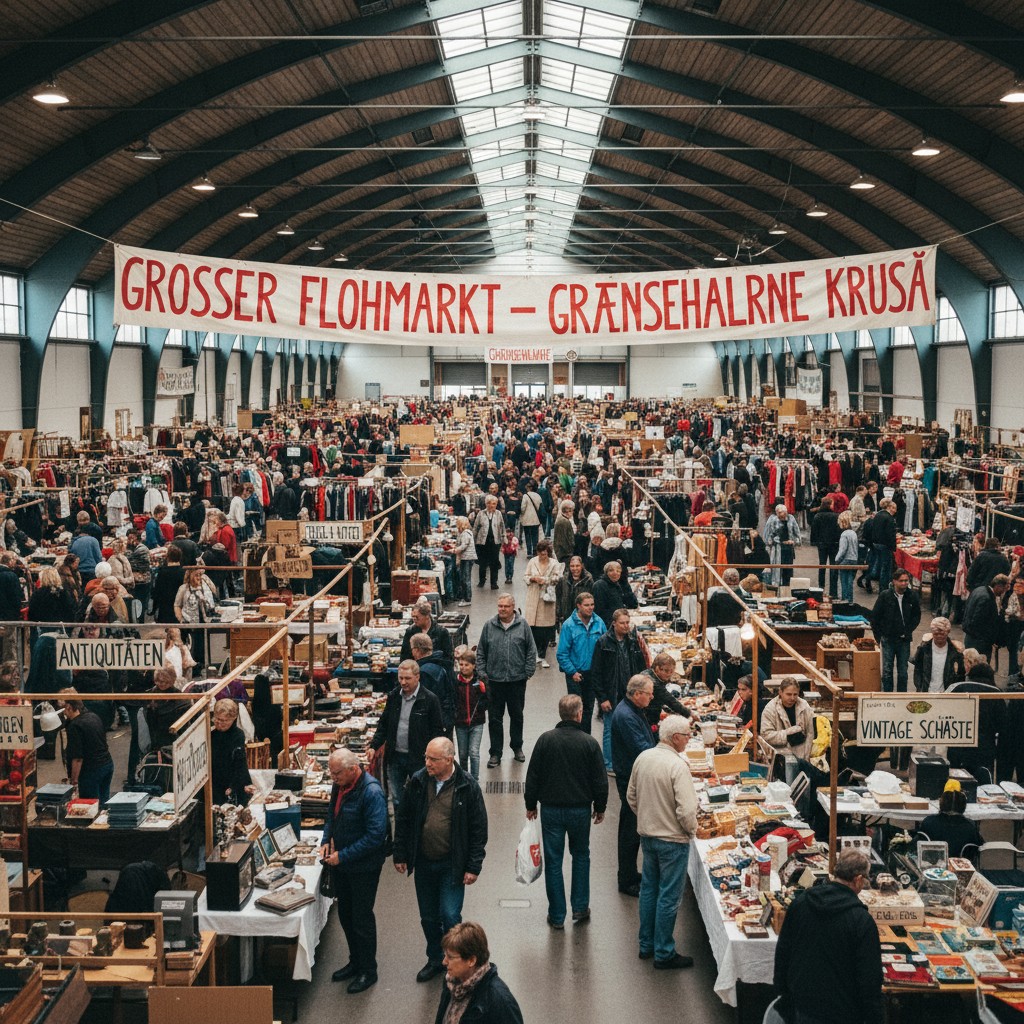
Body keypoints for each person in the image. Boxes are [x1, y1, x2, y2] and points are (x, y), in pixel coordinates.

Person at [393, 737, 488, 984]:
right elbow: (403, 819)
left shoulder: (467, 786)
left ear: (449, 759)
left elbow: (478, 830)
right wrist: (400, 853)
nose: (427, 763)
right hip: (423, 862)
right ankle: (436, 959)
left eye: (432, 759)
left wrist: (473, 866)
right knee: (428, 917)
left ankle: (457, 963)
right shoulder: (418, 780)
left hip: (451, 865)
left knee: (449, 915)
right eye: (426, 757)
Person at [524, 694, 608, 929]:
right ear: (580, 714)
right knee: (581, 856)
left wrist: (531, 804)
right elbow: (600, 781)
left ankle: (557, 915)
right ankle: (580, 908)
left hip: (551, 810)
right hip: (580, 810)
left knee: (553, 861)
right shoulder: (589, 743)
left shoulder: (545, 740)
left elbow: (533, 776)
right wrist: (599, 807)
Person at [774, 849, 882, 1024]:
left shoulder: (801, 902)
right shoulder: (861, 921)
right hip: (840, 1012)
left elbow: (783, 951)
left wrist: (783, 995)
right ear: (858, 880)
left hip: (801, 1005)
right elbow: (869, 980)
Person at [627, 715, 698, 969]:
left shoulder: (643, 758)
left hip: (648, 837)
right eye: (687, 736)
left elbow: (631, 796)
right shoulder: (677, 766)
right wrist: (691, 831)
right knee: (668, 897)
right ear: (675, 738)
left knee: (649, 890)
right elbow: (687, 810)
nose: (689, 740)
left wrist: (648, 819)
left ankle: (646, 945)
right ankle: (664, 952)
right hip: (673, 841)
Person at [319, 748, 389, 994]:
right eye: (331, 772)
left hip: (364, 868)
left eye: (336, 773)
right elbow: (331, 815)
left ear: (353, 769)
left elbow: (375, 836)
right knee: (346, 915)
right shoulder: (340, 785)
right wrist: (326, 840)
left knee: (361, 918)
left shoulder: (371, 792)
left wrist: (343, 855)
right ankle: (355, 961)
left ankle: (368, 970)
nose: (333, 778)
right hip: (343, 864)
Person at [370, 659, 444, 814]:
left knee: (422, 797)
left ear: (417, 677)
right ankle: (401, 833)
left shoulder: (430, 700)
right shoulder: (394, 697)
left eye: (407, 678)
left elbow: (436, 731)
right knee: (397, 799)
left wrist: (432, 758)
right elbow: (384, 724)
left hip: (419, 758)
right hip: (395, 757)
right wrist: (374, 746)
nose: (403, 682)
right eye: (400, 678)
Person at [476, 593, 537, 768]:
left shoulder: (523, 625)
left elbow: (531, 651)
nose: (502, 609)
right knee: (495, 718)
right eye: (500, 606)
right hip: (494, 681)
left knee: (517, 716)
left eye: (506, 606)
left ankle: (517, 747)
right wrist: (483, 674)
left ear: (513, 607)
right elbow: (481, 651)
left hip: (517, 681)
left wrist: (527, 672)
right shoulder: (489, 626)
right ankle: (495, 753)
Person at [610, 674, 657, 897]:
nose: (652, 697)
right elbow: (642, 748)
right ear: (637, 694)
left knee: (631, 827)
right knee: (630, 829)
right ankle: (627, 879)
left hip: (632, 774)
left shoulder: (631, 710)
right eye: (649, 693)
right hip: (631, 777)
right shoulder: (627, 716)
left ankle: (630, 872)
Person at [591, 609, 647, 773]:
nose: (626, 626)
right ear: (614, 623)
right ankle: (609, 764)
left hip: (630, 694)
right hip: (612, 694)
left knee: (630, 727)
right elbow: (596, 673)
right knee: (610, 729)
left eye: (628, 623)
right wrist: (602, 698)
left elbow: (639, 665)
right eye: (622, 623)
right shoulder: (603, 642)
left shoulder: (632, 641)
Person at [434, 923, 523, 1024]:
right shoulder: (451, 982)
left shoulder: (499, 1000)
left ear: (471, 960)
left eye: (450, 957)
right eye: (445, 955)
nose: (444, 962)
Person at [947, 649, 1005, 784]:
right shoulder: (997, 693)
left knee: (956, 786)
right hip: (985, 750)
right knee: (984, 788)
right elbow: (1001, 726)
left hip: (958, 749)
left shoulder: (958, 687)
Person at [555, 591, 606, 732]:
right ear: (578, 606)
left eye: (592, 605)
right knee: (575, 710)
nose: (590, 608)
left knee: (588, 708)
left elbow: (605, 647)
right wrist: (572, 672)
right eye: (586, 605)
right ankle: (574, 737)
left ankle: (586, 738)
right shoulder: (568, 625)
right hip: (575, 675)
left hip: (592, 673)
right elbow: (562, 654)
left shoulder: (599, 623)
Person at [869, 569, 921, 693]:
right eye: (901, 581)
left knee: (903, 671)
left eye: (906, 581)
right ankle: (888, 696)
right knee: (887, 671)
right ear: (894, 581)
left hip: (904, 640)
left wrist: (908, 630)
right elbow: (875, 617)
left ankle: (901, 697)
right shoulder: (885, 596)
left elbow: (916, 616)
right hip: (888, 639)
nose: (904, 583)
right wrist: (879, 637)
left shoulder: (912, 596)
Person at [60, 690, 115, 805]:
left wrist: (74, 781)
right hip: (107, 765)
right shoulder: (93, 716)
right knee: (103, 804)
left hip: (91, 772)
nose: (63, 713)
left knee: (90, 807)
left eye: (62, 708)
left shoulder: (75, 726)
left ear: (69, 707)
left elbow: (77, 758)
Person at [914, 780, 983, 857]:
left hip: (933, 866)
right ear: (963, 804)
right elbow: (978, 848)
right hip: (961, 867)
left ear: (941, 802)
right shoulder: (970, 826)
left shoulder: (928, 822)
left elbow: (915, 847)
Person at [523, 539, 563, 669]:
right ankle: (535, 654)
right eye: (540, 554)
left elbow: (557, 578)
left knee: (545, 628)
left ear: (548, 553)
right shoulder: (532, 561)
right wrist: (532, 578)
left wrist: (545, 580)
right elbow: (525, 576)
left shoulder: (554, 563)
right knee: (533, 627)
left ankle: (542, 654)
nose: (542, 556)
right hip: (533, 597)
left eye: (544, 554)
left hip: (547, 598)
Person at [411, 633, 457, 736]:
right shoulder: (442, 662)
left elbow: (425, 703)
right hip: (446, 719)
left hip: (435, 724)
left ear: (417, 650)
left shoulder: (424, 672)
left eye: (412, 648)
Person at [210, 699, 253, 805]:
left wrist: (233, 786)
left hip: (232, 782)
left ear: (233, 719)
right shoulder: (211, 734)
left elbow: (239, 764)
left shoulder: (238, 735)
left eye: (224, 721)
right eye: (217, 719)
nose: (219, 723)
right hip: (214, 783)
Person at [760, 677, 815, 760]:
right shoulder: (770, 709)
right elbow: (766, 735)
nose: (792, 698)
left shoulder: (804, 706)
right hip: (779, 756)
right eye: (788, 694)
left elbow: (810, 734)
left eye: (795, 694)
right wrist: (788, 735)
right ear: (780, 692)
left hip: (802, 756)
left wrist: (806, 759)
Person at [452, 649, 487, 780]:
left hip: (476, 722)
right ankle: (463, 778)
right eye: (461, 665)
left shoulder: (480, 682)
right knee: (462, 754)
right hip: (460, 723)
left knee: (474, 753)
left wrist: (484, 693)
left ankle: (474, 780)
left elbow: (487, 700)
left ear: (473, 665)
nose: (463, 667)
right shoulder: (456, 682)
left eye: (466, 665)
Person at [963, 573, 1010, 664]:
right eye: (1004, 589)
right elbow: (978, 622)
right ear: (999, 586)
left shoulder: (979, 590)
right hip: (979, 642)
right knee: (978, 668)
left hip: (971, 638)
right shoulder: (987, 599)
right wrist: (989, 639)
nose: (1003, 592)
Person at [912, 616, 965, 693]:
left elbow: (960, 675)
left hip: (947, 694)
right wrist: (919, 688)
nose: (939, 636)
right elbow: (918, 670)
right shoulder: (923, 649)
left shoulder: (956, 652)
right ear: (932, 633)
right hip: (926, 692)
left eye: (942, 634)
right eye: (936, 634)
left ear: (948, 633)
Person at [642, 652, 696, 727]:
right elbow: (669, 700)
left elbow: (663, 698)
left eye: (671, 671)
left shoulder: (651, 673)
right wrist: (690, 713)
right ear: (657, 668)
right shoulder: (653, 682)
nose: (669, 674)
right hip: (645, 720)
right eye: (666, 671)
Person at [145, 666, 188, 752]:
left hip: (171, 733)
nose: (161, 684)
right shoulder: (151, 693)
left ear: (172, 681)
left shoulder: (178, 694)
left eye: (165, 682)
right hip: (155, 733)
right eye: (158, 681)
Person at [400, 600, 454, 664]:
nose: (414, 619)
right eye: (413, 617)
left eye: (417, 617)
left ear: (427, 616)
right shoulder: (410, 632)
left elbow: (448, 657)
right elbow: (404, 656)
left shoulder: (441, 632)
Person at [809, 495, 841, 597]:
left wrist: (814, 542)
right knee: (833, 566)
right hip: (834, 544)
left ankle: (821, 588)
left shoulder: (818, 516)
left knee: (822, 565)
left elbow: (814, 530)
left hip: (822, 544)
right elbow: (838, 530)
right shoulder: (836, 516)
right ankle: (833, 591)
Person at [472, 495, 505, 590]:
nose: (492, 505)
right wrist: (473, 540)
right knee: (482, 562)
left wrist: (504, 538)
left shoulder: (498, 514)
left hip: (495, 541)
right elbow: (475, 527)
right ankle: (482, 580)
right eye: (490, 503)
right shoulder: (481, 514)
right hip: (482, 542)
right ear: (486, 504)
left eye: (494, 504)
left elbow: (502, 526)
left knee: (494, 562)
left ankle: (494, 583)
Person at [763, 504, 800, 588]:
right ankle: (777, 586)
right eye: (778, 513)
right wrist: (774, 541)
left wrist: (793, 541)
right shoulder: (773, 520)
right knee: (777, 569)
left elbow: (797, 533)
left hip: (789, 548)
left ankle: (787, 587)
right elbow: (769, 536)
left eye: (782, 513)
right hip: (778, 548)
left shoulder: (791, 519)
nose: (780, 515)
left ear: (786, 512)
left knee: (788, 569)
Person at [869, 498, 898, 592]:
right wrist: (893, 547)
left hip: (876, 543)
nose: (895, 511)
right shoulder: (889, 518)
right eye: (894, 508)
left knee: (878, 564)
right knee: (885, 568)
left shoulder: (878, 515)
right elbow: (890, 534)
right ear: (889, 507)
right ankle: (883, 589)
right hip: (885, 545)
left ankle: (869, 577)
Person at [151, 544, 185, 623]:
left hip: (165, 607)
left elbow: (157, 591)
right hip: (179, 607)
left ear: (168, 557)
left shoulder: (162, 572)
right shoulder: (183, 572)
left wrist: (154, 607)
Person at [556, 554, 593, 625]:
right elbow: (559, 598)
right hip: (566, 618)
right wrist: (558, 615)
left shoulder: (588, 580)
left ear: (582, 566)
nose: (575, 569)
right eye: (572, 566)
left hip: (583, 619)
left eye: (577, 566)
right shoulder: (564, 579)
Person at [835, 510, 860, 603]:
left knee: (844, 582)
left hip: (845, 560)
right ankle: (850, 601)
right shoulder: (853, 533)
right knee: (850, 582)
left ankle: (844, 600)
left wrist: (836, 559)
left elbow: (843, 549)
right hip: (854, 559)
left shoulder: (844, 534)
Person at [452, 516, 476, 607]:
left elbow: (463, 546)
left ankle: (467, 598)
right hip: (465, 558)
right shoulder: (463, 533)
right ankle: (464, 596)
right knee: (464, 578)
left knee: (466, 578)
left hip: (467, 558)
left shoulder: (465, 534)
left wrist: (454, 550)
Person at [519, 481, 543, 557]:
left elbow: (522, 508)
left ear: (530, 487)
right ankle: (535, 551)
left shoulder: (525, 496)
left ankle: (529, 552)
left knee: (527, 535)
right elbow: (539, 507)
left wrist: (521, 514)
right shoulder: (538, 496)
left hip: (526, 519)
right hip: (536, 519)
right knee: (535, 536)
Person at [552, 500, 576, 564]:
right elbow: (565, 539)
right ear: (568, 511)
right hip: (564, 553)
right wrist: (570, 551)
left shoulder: (562, 520)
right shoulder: (564, 522)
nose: (573, 512)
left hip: (562, 552)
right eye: (572, 510)